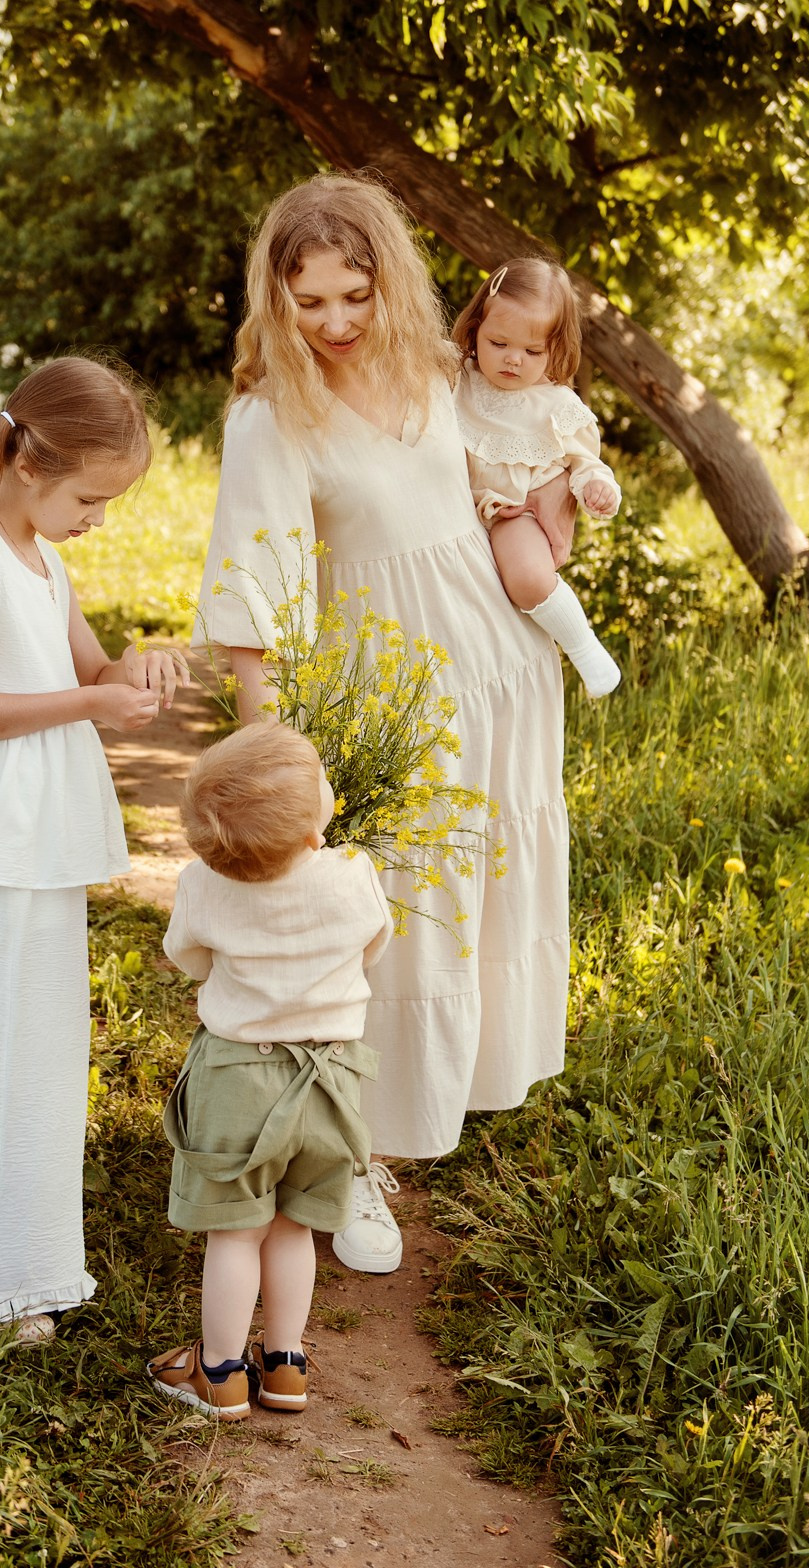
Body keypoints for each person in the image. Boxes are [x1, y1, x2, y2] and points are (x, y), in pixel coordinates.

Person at [195, 172, 572, 1276]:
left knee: (476, 891)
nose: (336, 322)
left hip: (502, 666)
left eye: (354, 293)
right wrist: (271, 757)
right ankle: (352, 1152)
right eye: (309, 302)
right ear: (277, 298)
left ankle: (433, 1109)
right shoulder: (269, 415)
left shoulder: (443, 372)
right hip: (387, 686)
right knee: (388, 911)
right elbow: (251, 592)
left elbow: (523, 472)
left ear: (387, 279)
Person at [0, 357, 188, 1342]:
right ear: (28, 462)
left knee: (46, 1042)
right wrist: (95, 702)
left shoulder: (44, 559)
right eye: (89, 496)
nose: (97, 516)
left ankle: (21, 1257)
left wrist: (130, 668)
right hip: (5, 827)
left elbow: (91, 664)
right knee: (2, 1040)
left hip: (42, 833)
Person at [148, 721, 391, 1420]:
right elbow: (372, 948)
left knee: (236, 1231)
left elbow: (187, 956)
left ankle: (219, 1375)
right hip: (331, 1080)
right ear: (314, 831)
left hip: (236, 1079)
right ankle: (284, 1364)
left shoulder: (202, 882)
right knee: (294, 1228)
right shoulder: (351, 875)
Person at [453, 257, 622, 697]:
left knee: (528, 575)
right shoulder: (457, 380)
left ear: (555, 349)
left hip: (518, 514)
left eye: (532, 352)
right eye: (498, 343)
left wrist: (596, 489)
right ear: (475, 330)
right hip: (457, 510)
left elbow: (585, 464)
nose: (513, 360)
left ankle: (584, 649)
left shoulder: (556, 406)